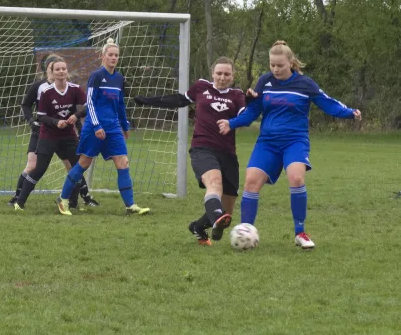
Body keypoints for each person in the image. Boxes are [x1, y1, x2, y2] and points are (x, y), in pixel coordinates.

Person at [217, 40, 362, 249]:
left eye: (280, 65)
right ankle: (246, 231)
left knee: (296, 178)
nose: (275, 69)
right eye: (272, 65)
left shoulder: (305, 84)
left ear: (291, 63)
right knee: (250, 182)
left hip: (295, 141)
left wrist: (350, 112)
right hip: (267, 142)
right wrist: (232, 123)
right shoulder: (265, 82)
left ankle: (300, 232)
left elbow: (327, 102)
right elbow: (252, 112)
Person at [135, 57, 247, 245]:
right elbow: (179, 100)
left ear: (233, 76)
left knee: (228, 211)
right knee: (214, 183)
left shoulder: (237, 95)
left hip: (228, 153)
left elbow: (246, 115)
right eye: (219, 73)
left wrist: (237, 118)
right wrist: (148, 100)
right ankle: (217, 217)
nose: (222, 77)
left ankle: (198, 226)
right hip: (202, 148)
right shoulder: (202, 87)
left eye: (227, 74)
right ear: (212, 74)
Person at [56, 38, 150, 216]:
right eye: (110, 55)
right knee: (84, 163)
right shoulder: (96, 76)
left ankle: (130, 205)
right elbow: (89, 103)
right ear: (103, 56)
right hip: (94, 127)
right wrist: (97, 125)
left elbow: (120, 103)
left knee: (123, 162)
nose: (114, 58)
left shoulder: (120, 78)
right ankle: (63, 199)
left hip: (113, 127)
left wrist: (125, 124)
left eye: (116, 55)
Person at [7, 54, 99, 210]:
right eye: (58, 69)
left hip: (68, 136)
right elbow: (40, 115)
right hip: (47, 135)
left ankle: (74, 202)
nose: (61, 71)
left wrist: (75, 117)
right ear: (51, 71)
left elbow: (87, 106)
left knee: (76, 168)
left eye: (63, 68)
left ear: (67, 71)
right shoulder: (45, 91)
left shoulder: (75, 89)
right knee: (37, 168)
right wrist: (54, 122)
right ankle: (19, 201)